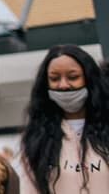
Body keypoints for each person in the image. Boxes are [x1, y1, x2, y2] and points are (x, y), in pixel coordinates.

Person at [18, 45, 109, 194]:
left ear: (89, 79)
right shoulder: (36, 139)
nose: (63, 85)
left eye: (73, 77)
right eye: (54, 78)